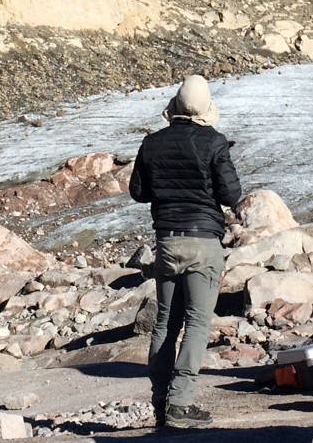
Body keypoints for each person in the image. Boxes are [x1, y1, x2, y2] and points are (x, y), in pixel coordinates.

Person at [129, 74, 242, 429]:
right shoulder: (214, 142)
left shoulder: (152, 143)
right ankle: (181, 402)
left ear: (175, 107)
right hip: (204, 241)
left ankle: (161, 401)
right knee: (196, 321)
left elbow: (138, 192)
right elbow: (231, 194)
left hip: (167, 241)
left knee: (165, 321)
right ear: (207, 110)